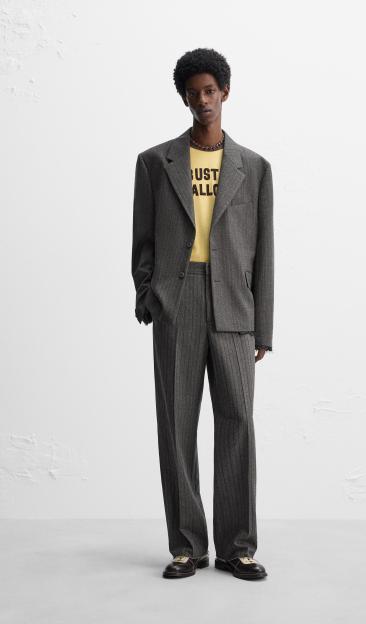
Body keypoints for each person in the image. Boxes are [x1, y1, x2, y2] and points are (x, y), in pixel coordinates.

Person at [131, 47, 274, 581]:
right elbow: (143, 238)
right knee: (177, 425)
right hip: (179, 300)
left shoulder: (254, 168)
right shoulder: (155, 162)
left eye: (210, 91)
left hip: (235, 304)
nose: (203, 100)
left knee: (238, 422)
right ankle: (187, 546)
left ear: (225, 93)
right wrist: (149, 295)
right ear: (184, 98)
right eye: (193, 93)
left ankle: (238, 547)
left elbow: (265, 252)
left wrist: (264, 326)